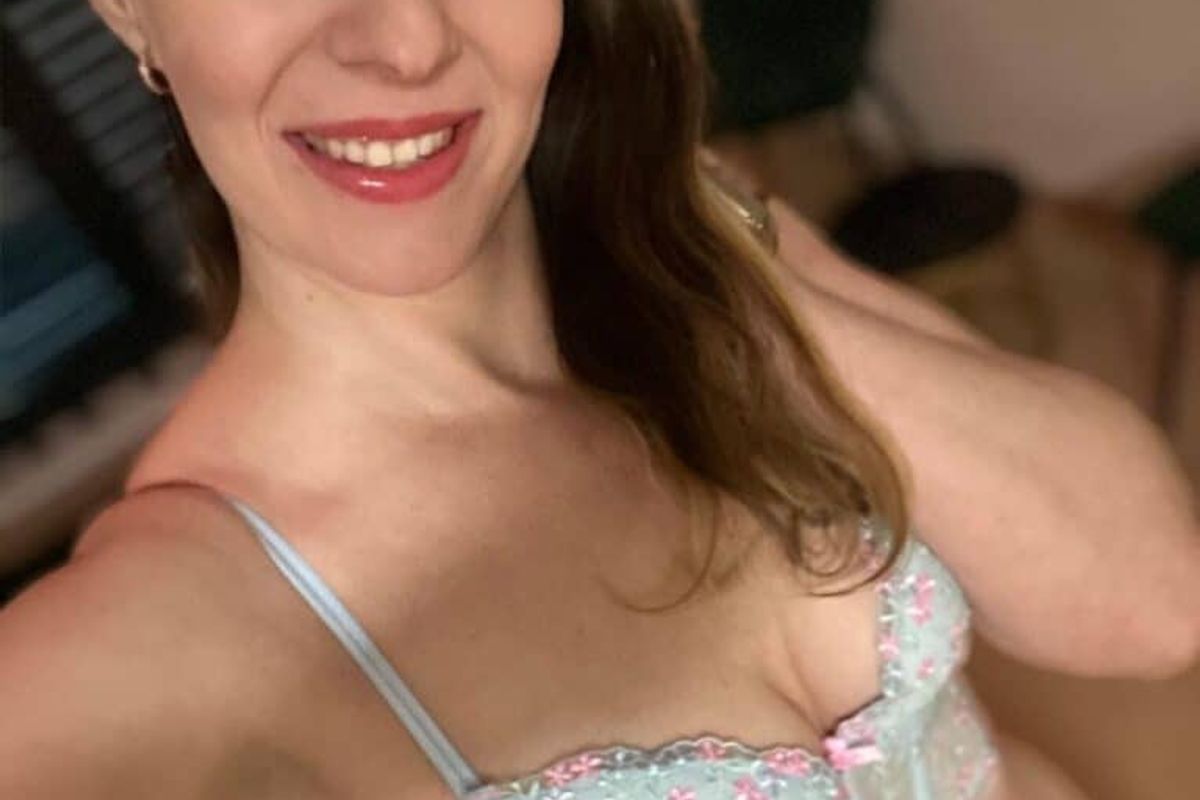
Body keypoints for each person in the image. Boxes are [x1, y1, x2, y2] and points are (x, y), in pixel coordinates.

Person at [2, 2, 1197, 798]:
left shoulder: (709, 237)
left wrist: (692, 252)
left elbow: (1154, 598)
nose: (407, 40)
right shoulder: (150, 636)